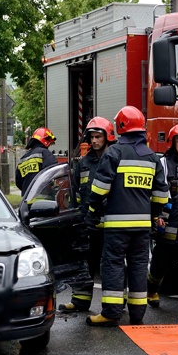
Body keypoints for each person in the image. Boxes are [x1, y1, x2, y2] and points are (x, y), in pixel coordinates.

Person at [84, 106, 169, 327]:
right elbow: (161, 193)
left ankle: (111, 313)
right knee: (139, 266)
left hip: (116, 225)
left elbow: (100, 188)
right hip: (142, 227)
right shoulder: (151, 156)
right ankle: (137, 315)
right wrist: (154, 215)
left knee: (112, 264)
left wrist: (93, 211)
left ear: (121, 127)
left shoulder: (115, 153)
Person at [58, 117, 116, 312]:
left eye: (98, 137)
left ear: (108, 137)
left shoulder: (116, 159)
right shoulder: (84, 163)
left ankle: (115, 305)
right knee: (84, 263)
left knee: (111, 266)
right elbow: (74, 192)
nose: (94, 141)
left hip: (111, 224)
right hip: (87, 223)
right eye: (91, 137)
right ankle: (80, 301)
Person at [147, 123, 178, 307]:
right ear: (173, 143)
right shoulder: (163, 163)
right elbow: (156, 191)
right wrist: (157, 215)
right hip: (168, 224)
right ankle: (152, 290)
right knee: (160, 264)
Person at [15, 127, 58, 196]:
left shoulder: (23, 159)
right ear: (45, 140)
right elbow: (55, 173)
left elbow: (18, 182)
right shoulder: (45, 153)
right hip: (43, 200)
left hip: (26, 201)